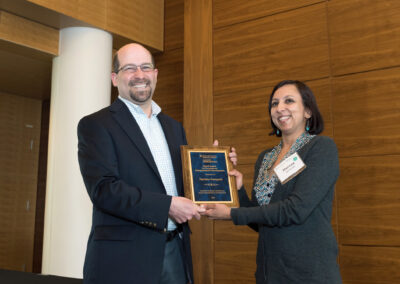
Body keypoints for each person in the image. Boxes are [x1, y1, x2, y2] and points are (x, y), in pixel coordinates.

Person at [77, 43, 205, 284]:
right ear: (115, 79)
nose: (139, 75)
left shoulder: (174, 128)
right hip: (124, 260)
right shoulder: (96, 125)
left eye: (146, 67)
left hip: (175, 251)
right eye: (129, 68)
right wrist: (166, 206)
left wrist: (218, 174)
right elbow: (104, 190)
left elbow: (183, 187)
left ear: (155, 74)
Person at [202, 80, 342, 283]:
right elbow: (262, 221)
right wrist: (238, 191)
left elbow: (296, 209)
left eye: (289, 101)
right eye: (274, 103)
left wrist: (231, 214)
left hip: (309, 272)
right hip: (270, 272)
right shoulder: (266, 157)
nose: (280, 108)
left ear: (308, 111)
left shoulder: (321, 148)